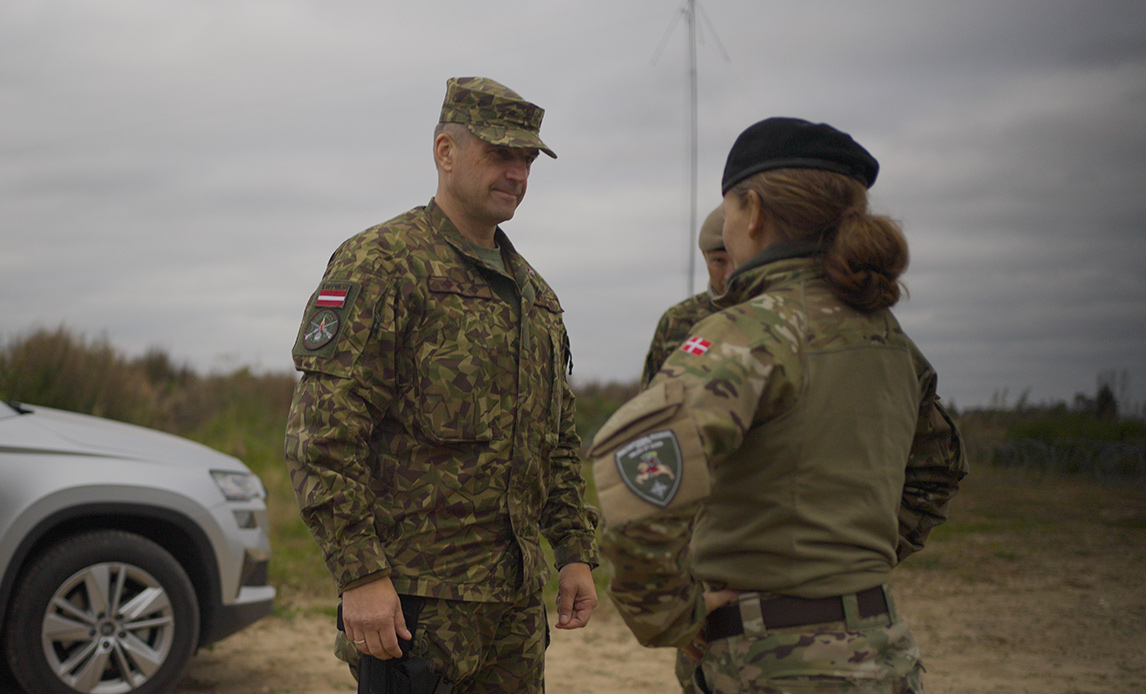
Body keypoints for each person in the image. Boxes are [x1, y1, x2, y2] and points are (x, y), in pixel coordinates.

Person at [591, 117, 967, 693]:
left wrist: (672, 614)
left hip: (772, 662)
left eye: (730, 210)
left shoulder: (751, 333)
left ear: (754, 213)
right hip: (884, 651)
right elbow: (938, 467)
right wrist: (847, 567)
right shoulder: (891, 341)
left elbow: (637, 470)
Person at [285, 76, 599, 694]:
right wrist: (360, 574)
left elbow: (556, 442)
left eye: (527, 159)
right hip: (415, 608)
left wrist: (574, 551)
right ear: (445, 152)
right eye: (500, 153)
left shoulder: (535, 296)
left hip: (512, 612)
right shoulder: (383, 263)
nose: (517, 173)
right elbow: (322, 437)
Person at [640, 205, 734, 389]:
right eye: (719, 261)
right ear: (705, 257)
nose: (730, 274)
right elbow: (650, 395)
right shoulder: (677, 320)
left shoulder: (772, 315)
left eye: (738, 259)